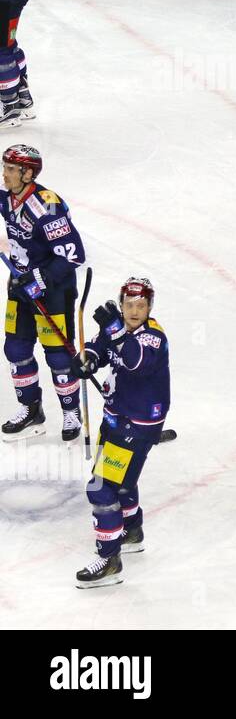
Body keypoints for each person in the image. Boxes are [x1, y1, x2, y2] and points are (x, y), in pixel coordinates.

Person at [71, 278, 169, 587]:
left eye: (141, 305)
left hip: (137, 424)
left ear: (149, 307)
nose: (134, 311)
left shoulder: (153, 336)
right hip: (115, 417)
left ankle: (110, 557)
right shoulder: (118, 328)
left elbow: (135, 361)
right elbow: (98, 347)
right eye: (129, 305)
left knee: (101, 488)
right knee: (123, 483)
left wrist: (114, 331)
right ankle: (132, 529)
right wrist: (87, 359)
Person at [1, 145, 85, 442]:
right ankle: (31, 409)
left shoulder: (46, 206)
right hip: (19, 285)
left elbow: (74, 255)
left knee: (59, 356)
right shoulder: (9, 196)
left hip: (53, 290)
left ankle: (71, 412)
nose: (5, 174)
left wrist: (39, 278)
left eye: (11, 169)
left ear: (28, 173)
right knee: (16, 350)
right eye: (5, 167)